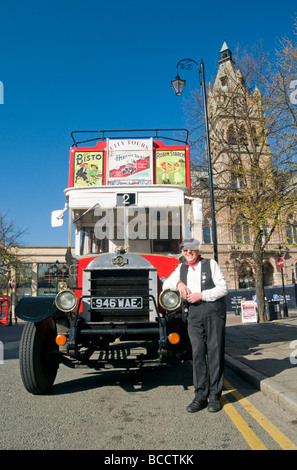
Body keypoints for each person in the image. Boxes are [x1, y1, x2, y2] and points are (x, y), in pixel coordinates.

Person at [162, 238, 228, 413]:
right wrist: (178, 283)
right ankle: (200, 396)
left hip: (213, 310)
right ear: (182, 252)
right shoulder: (181, 268)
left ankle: (214, 396)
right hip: (193, 313)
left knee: (215, 352)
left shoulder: (210, 264)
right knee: (197, 352)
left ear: (197, 250)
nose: (188, 253)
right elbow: (165, 283)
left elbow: (223, 288)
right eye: (185, 250)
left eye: (191, 250)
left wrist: (202, 295)